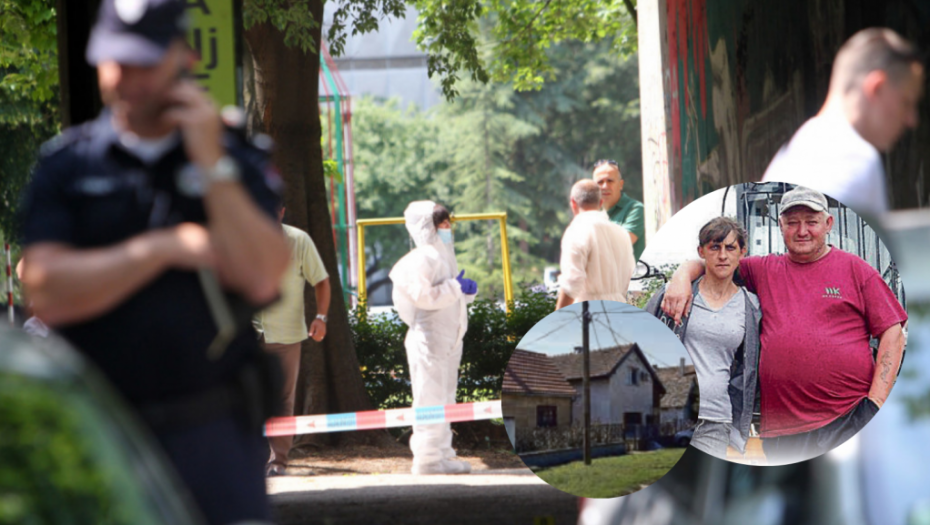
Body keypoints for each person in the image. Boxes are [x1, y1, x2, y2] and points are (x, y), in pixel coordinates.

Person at [17, 0, 289, 522]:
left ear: (182, 56)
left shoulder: (231, 155)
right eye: (115, 61)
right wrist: (164, 249)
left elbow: (260, 274)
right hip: (99, 430)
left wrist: (211, 164)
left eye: (144, 61)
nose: (128, 78)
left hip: (211, 431)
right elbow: (46, 291)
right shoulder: (68, 164)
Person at [661, 187, 907, 465]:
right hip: (780, 430)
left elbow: (893, 333)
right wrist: (681, 276)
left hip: (846, 417)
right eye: (792, 222)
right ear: (781, 226)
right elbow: (717, 261)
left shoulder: (856, 269)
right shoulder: (763, 269)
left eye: (811, 222)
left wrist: (874, 403)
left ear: (828, 224)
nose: (802, 230)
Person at [762, 28, 924, 218]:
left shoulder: (797, 149)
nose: (912, 120)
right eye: (906, 102)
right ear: (876, 87)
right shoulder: (855, 159)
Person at [645, 217, 761, 460]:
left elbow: (746, 366)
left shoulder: (750, 306)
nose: (722, 255)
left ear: (742, 252)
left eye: (730, 248)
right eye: (714, 247)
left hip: (715, 420)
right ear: (701, 251)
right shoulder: (675, 296)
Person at [389, 201, 477, 475]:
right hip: (429, 338)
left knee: (445, 397)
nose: (447, 229)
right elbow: (421, 297)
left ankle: (444, 455)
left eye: (449, 224)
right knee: (429, 398)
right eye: (442, 224)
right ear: (427, 228)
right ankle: (427, 459)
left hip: (449, 337)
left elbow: (450, 295)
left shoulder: (444, 255)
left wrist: (465, 291)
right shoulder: (421, 257)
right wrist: (455, 287)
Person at [254, 204, 331, 477]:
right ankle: (248, 459)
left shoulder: (299, 240)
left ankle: (278, 461)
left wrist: (321, 317)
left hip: (285, 334)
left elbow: (321, 280)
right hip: (246, 334)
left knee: (283, 399)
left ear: (283, 211)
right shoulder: (243, 236)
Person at [556, 179, 635, 309]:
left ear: (573, 203)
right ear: (601, 203)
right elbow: (630, 282)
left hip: (589, 313)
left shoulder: (577, 230)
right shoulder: (621, 233)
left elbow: (572, 281)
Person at [593, 159, 645, 261]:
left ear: (620, 185)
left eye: (610, 181)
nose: (605, 186)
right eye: (600, 182)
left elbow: (619, 246)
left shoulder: (635, 209)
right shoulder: (594, 215)